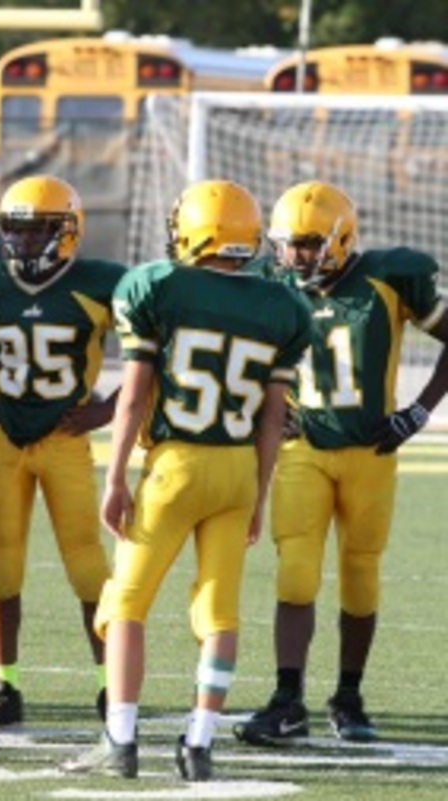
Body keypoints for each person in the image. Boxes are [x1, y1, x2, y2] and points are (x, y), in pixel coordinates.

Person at [63, 179, 310, 781]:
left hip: (177, 467)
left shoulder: (158, 286)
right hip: (238, 472)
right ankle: (198, 745)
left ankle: (119, 741)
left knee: (125, 604)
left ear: (195, 230)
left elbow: (133, 399)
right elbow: (273, 418)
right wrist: (260, 491)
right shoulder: (283, 305)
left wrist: (115, 474)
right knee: (220, 614)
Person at [234, 180, 448, 746]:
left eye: (306, 243)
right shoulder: (270, 282)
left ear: (340, 237)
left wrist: (419, 412)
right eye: (286, 243)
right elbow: (235, 350)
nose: (294, 255)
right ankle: (287, 700)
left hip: (371, 453)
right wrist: (265, 409)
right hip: (303, 451)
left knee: (360, 577)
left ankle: (349, 696)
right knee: (296, 572)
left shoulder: (389, 277)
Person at [0, 176, 119, 730]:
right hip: (4, 437)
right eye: (16, 231)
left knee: (87, 566)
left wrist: (109, 409)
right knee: (0, 563)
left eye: (37, 231)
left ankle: (110, 685)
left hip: (66, 436)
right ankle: (6, 689)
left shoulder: (102, 285)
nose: (23, 243)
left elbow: (161, 349)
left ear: (67, 232)